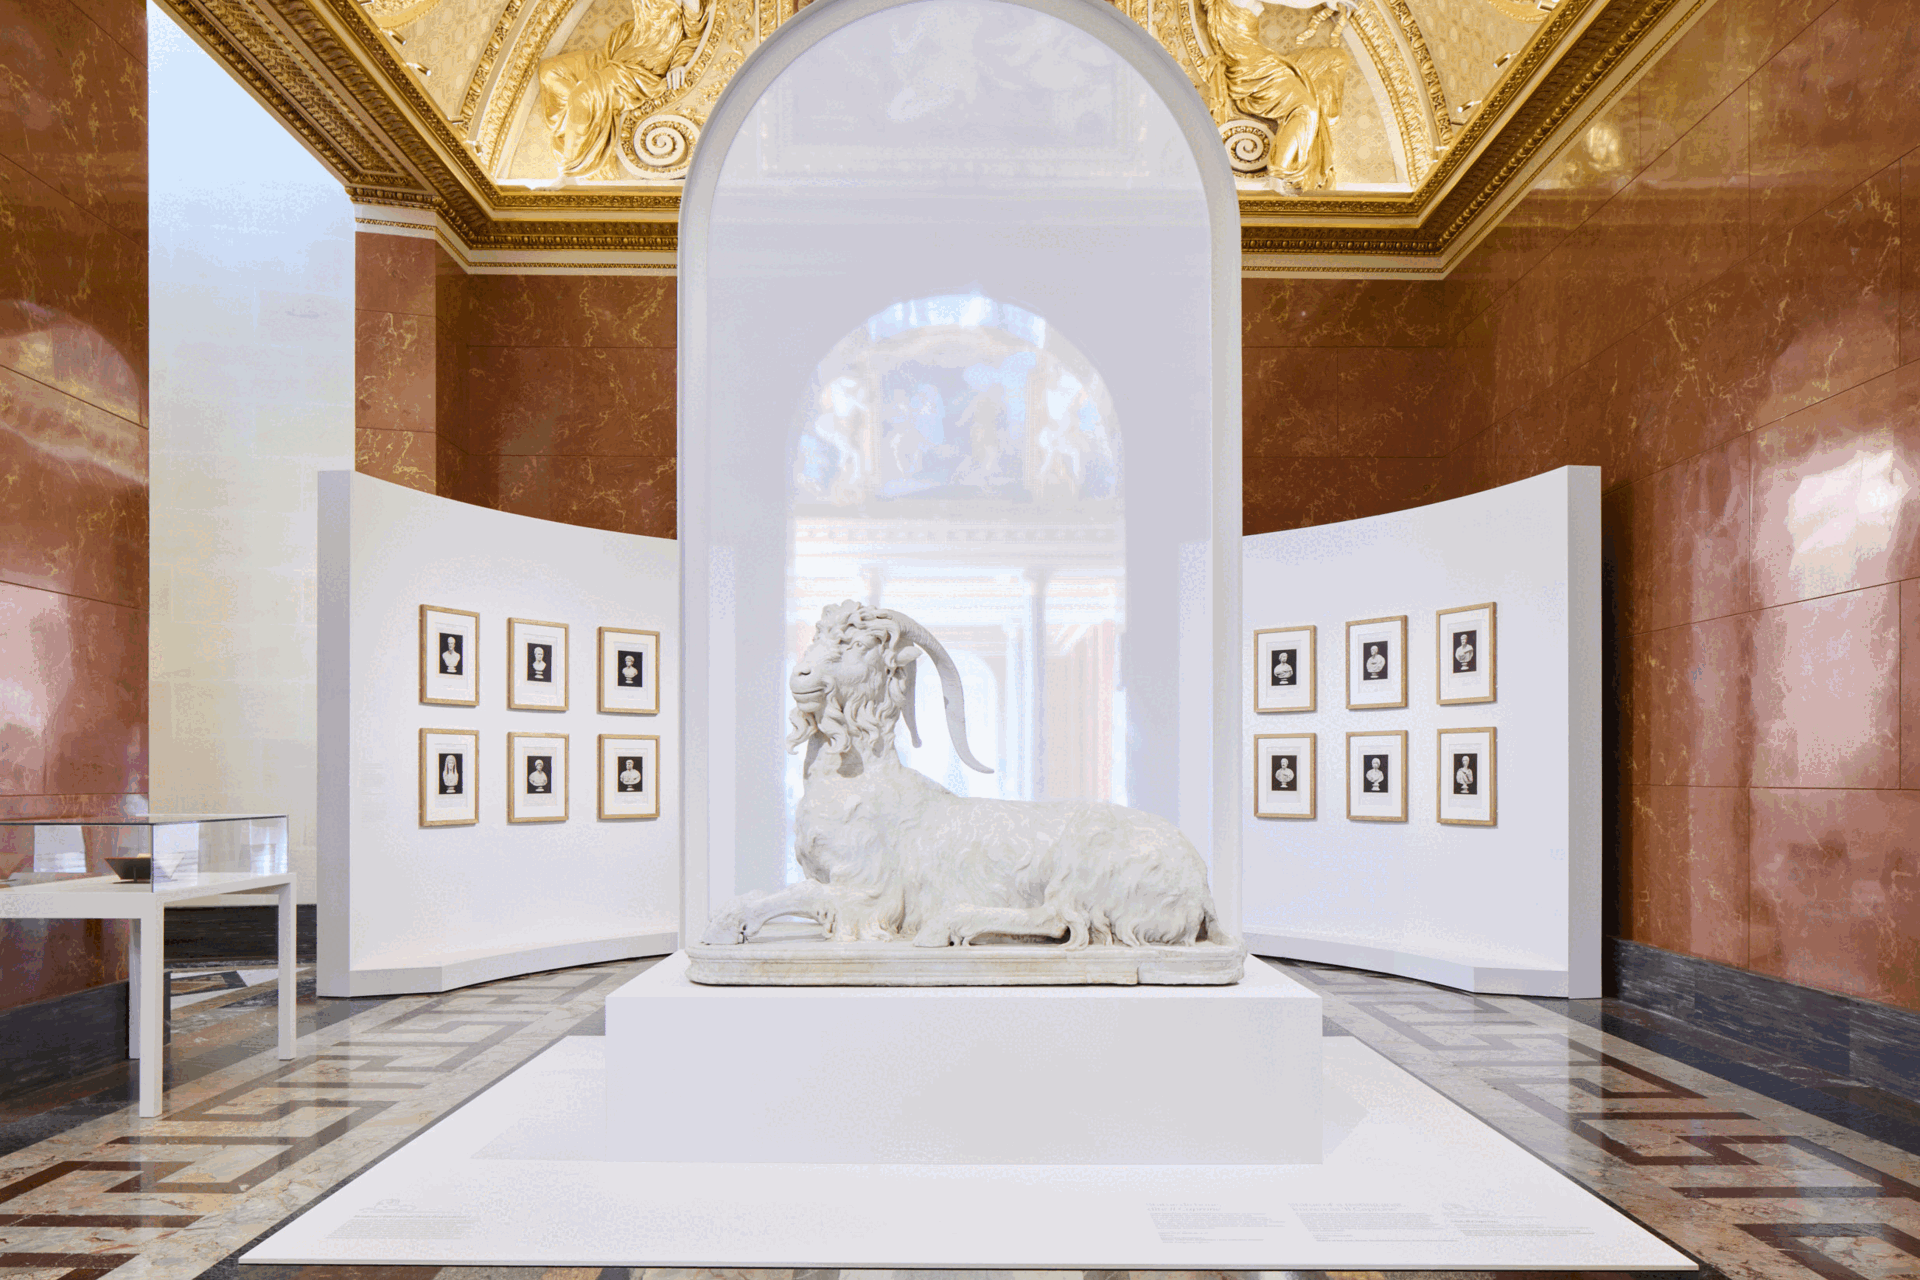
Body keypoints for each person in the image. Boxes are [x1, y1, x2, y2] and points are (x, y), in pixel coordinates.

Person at [538, 0, 710, 179]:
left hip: (641, 69)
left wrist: (679, 64)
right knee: (549, 71)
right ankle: (583, 131)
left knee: (582, 97)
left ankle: (572, 170)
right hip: (623, 46)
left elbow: (694, 33)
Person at [1200, 0, 1355, 192]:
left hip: (1267, 62)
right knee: (1305, 109)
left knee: (1337, 58)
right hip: (1253, 72)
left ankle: (1322, 118)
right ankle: (1280, 174)